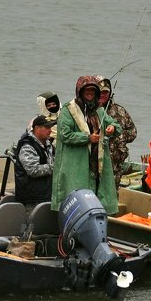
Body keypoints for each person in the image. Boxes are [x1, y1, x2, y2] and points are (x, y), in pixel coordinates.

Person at [52, 75, 123, 214]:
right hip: (76, 163)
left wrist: (112, 128)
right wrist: (87, 138)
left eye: (93, 91)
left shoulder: (99, 110)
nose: (90, 94)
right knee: (76, 197)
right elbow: (64, 134)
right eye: (87, 91)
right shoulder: (69, 110)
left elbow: (115, 126)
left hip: (97, 163)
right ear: (80, 92)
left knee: (98, 194)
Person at [97, 76, 137, 187]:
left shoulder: (120, 111)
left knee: (113, 191)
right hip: (96, 162)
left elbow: (133, 132)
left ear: (109, 93)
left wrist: (118, 136)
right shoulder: (90, 111)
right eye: (100, 92)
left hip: (115, 162)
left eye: (105, 92)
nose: (102, 95)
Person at [13, 115, 56, 207]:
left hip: (46, 196)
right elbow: (33, 170)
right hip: (31, 199)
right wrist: (56, 167)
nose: (50, 130)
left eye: (50, 127)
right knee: (33, 221)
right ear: (37, 128)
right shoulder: (27, 146)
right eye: (47, 127)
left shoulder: (48, 145)